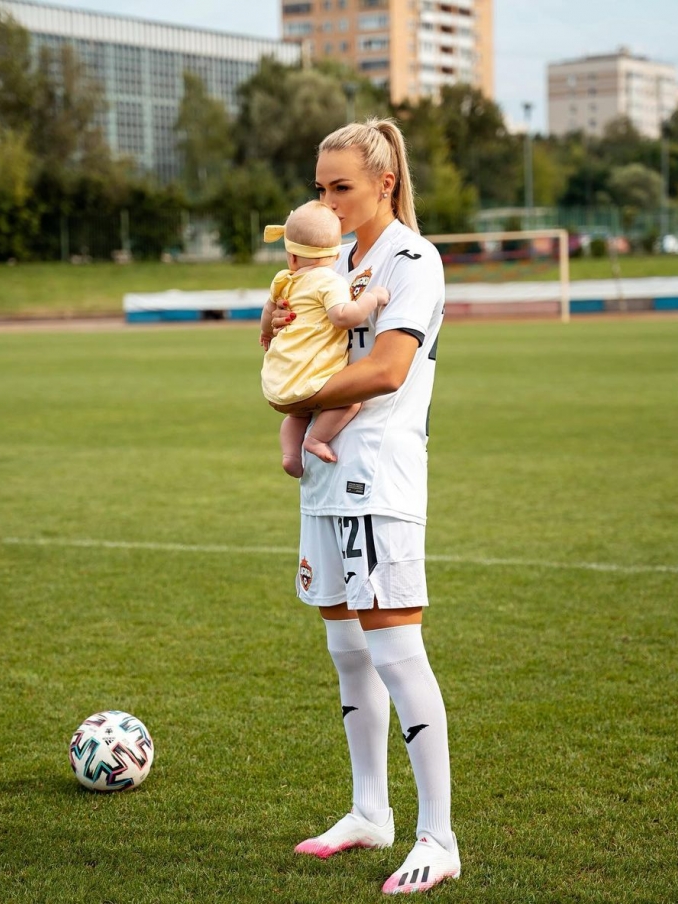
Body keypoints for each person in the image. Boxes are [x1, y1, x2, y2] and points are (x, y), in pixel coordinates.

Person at [267, 118, 460, 895]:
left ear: (384, 182)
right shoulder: (330, 257)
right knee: (345, 651)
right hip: (324, 474)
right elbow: (296, 346)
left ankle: (437, 836)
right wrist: (272, 329)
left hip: (375, 477)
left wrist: (294, 396)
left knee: (394, 651)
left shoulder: (412, 259)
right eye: (320, 188)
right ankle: (367, 812)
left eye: (341, 186)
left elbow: (385, 369)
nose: (328, 200)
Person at [260, 201, 389, 478]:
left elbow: (269, 310)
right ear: (334, 257)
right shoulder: (329, 282)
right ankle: (316, 439)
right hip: (312, 380)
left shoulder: (284, 280)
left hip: (281, 382)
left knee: (296, 415)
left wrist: (266, 332)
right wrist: (372, 298)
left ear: (292, 258)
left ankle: (290, 454)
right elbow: (343, 317)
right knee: (352, 401)